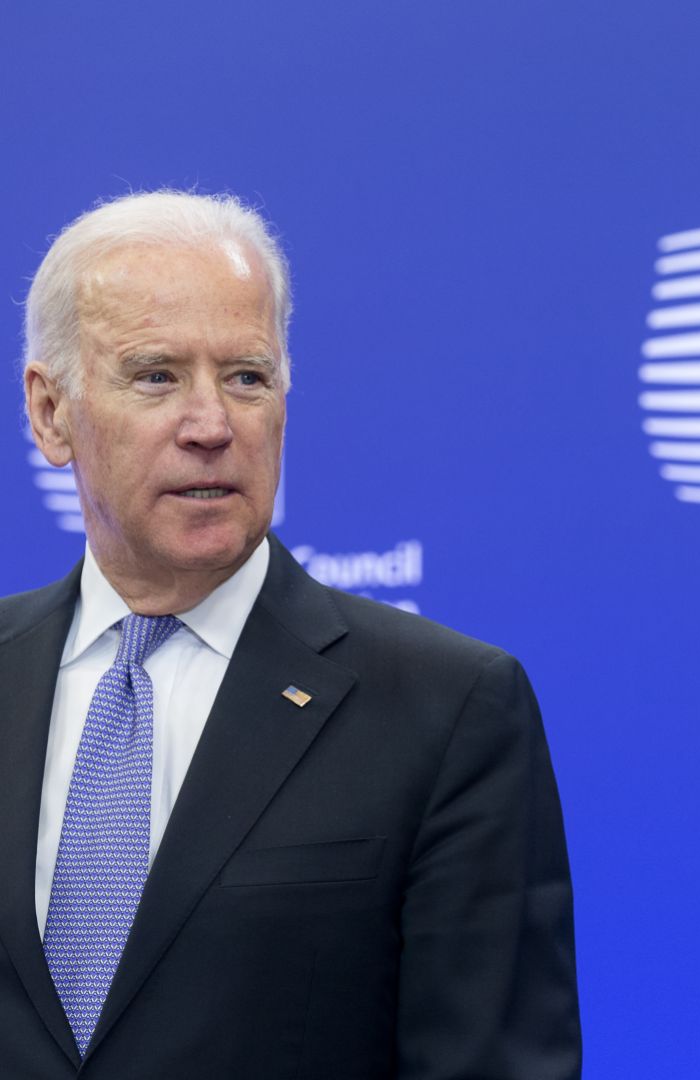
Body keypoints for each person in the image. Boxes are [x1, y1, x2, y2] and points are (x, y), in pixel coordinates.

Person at [0, 190, 581, 1078]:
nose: (211, 425)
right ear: (49, 412)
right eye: (156, 375)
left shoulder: (447, 709)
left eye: (247, 377)